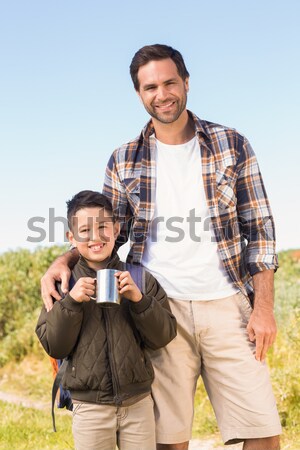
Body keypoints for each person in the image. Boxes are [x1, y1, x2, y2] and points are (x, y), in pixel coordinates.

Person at [41, 45, 282, 450]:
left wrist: (263, 308)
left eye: (170, 82)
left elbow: (259, 230)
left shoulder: (231, 144)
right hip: (156, 308)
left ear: (186, 83)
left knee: (263, 434)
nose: (162, 93)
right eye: (150, 86)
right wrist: (62, 259)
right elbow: (105, 233)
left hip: (228, 307)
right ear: (140, 94)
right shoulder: (123, 159)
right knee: (169, 442)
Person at [36, 190, 177, 450]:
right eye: (85, 230)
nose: (95, 237)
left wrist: (139, 300)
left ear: (116, 229)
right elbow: (55, 346)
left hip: (138, 405)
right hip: (89, 408)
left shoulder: (140, 278)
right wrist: (71, 303)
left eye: (103, 227)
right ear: (71, 237)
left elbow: (164, 336)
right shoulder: (62, 285)